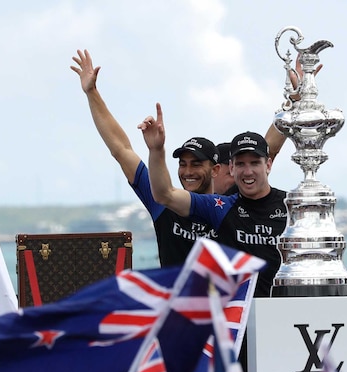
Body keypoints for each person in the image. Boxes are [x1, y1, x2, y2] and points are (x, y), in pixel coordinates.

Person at [71, 49, 217, 267]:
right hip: (175, 300)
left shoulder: (227, 208)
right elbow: (121, 150)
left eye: (196, 164)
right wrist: (92, 92)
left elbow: (263, 155)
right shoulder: (164, 202)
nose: (188, 172)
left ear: (215, 170)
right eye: (183, 164)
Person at [141, 104, 289, 298]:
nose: (248, 171)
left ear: (268, 165)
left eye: (255, 163)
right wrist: (156, 150)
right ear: (232, 169)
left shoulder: (290, 205)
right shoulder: (220, 207)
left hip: (282, 317)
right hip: (236, 321)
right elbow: (164, 195)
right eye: (240, 164)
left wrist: (294, 98)